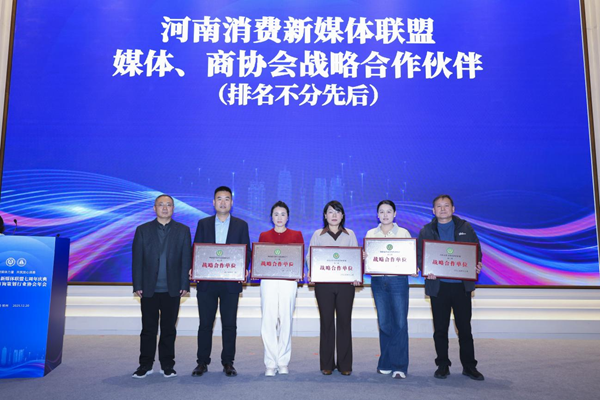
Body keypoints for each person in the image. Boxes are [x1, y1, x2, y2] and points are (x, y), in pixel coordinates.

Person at [417, 194, 484, 381]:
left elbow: (476, 251)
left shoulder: (465, 227)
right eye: (439, 206)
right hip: (439, 287)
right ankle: (442, 365)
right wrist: (426, 270)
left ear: (453, 209)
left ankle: (469, 366)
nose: (443, 209)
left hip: (461, 287)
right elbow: (420, 256)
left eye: (446, 206)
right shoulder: (426, 230)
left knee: (464, 329)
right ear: (433, 211)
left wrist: (477, 263)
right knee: (440, 329)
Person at [192, 186, 251, 377]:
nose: (223, 202)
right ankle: (202, 362)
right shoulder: (203, 224)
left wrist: (245, 268)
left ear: (231, 203)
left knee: (229, 324)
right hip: (207, 282)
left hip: (230, 283)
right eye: (219, 198)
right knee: (205, 324)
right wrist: (193, 267)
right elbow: (197, 249)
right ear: (213, 202)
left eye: (227, 199)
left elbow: (246, 251)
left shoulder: (241, 225)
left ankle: (228, 362)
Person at [131, 194, 192, 379]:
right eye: (161, 205)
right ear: (154, 208)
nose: (165, 208)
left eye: (168, 205)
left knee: (169, 329)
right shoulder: (142, 230)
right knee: (148, 329)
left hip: (172, 289)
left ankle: (167, 365)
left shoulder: (183, 230)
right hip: (148, 288)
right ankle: (145, 364)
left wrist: (185, 284)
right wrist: (137, 284)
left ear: (173, 208)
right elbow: (137, 260)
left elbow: (186, 259)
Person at [308, 200, 360, 376]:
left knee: (344, 322)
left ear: (342, 215)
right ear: (325, 215)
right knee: (327, 322)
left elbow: (355, 257)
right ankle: (327, 364)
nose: (334, 215)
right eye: (330, 212)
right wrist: (312, 272)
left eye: (338, 212)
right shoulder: (318, 234)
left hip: (346, 286)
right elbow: (310, 257)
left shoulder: (350, 234)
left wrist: (357, 273)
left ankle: (345, 365)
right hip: (324, 285)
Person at [364, 200, 413, 379]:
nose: (385, 215)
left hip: (398, 280)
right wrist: (364, 256)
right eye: (382, 212)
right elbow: (368, 259)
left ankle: (399, 366)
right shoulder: (371, 234)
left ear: (395, 214)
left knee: (399, 323)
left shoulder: (403, 233)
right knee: (384, 323)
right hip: (378, 281)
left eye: (389, 211)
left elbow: (409, 256)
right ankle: (385, 362)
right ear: (377, 215)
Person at [258, 201, 304, 377]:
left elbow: (299, 258)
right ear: (271, 217)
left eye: (283, 214)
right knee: (268, 321)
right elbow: (260, 259)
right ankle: (270, 363)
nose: (279, 217)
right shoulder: (264, 235)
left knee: (286, 320)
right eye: (276, 214)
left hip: (288, 282)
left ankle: (283, 361)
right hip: (268, 281)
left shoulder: (296, 235)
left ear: (288, 217)